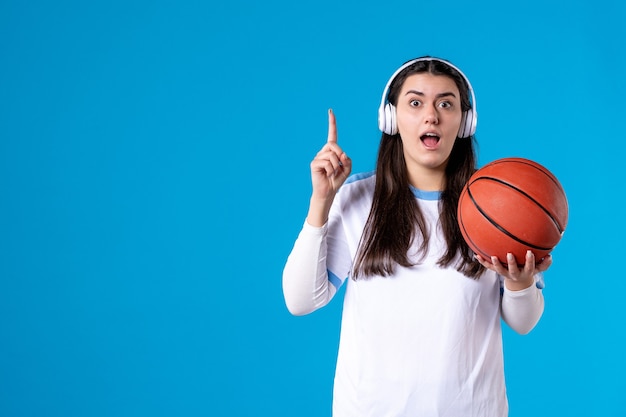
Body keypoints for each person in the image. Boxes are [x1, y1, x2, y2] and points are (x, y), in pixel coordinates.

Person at [282, 56, 551, 417]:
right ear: (391, 118)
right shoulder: (357, 199)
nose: (431, 115)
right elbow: (300, 301)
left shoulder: (498, 209)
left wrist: (521, 284)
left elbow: (523, 322)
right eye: (415, 102)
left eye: (446, 103)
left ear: (465, 121)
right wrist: (321, 201)